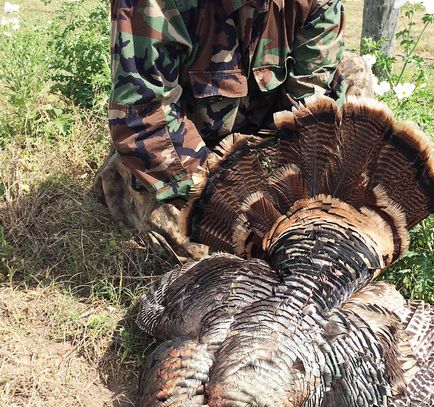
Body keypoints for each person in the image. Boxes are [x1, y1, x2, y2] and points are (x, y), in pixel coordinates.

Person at [94, 0, 373, 260]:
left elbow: (309, 103)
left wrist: (290, 197)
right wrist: (232, 205)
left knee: (354, 73)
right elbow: (144, 116)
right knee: (223, 260)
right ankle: (125, 191)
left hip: (264, 146)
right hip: (189, 163)